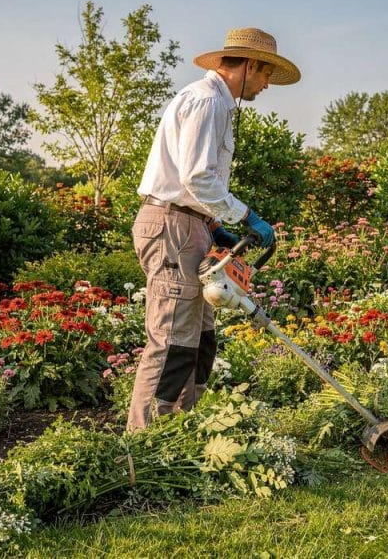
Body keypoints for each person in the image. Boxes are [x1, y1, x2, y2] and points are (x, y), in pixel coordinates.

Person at [127, 27, 301, 431]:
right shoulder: (207, 101)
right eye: (266, 75)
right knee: (172, 342)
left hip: (192, 224)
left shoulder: (216, 102)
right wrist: (245, 216)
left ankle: (180, 432)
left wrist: (216, 225)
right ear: (250, 65)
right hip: (173, 225)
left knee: (200, 340)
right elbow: (197, 177)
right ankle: (142, 445)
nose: (266, 85)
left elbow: (196, 184)